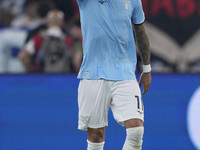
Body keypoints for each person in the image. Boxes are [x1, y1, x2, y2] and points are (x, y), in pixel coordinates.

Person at [76, 0, 151, 150]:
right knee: (96, 135)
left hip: (125, 72)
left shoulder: (133, 1)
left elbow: (140, 32)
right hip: (93, 73)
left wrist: (147, 69)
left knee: (136, 130)